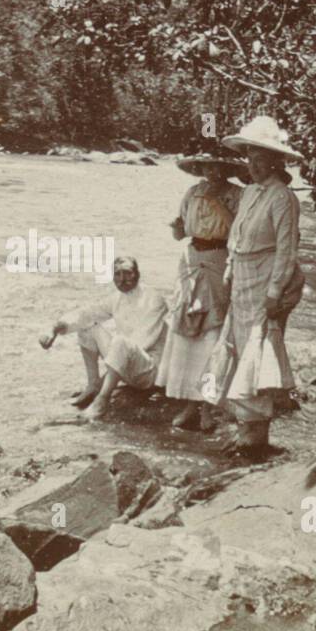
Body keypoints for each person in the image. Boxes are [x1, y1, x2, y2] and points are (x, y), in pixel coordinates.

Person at [208, 116, 305, 455]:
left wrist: (275, 292)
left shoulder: (283, 198)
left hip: (265, 275)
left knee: (259, 349)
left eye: (261, 158)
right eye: (250, 157)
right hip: (243, 277)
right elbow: (236, 234)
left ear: (276, 161)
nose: (254, 164)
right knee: (236, 343)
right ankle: (243, 423)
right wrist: (230, 267)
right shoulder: (250, 191)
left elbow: (286, 249)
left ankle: (256, 432)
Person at [156, 147, 245, 432]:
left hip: (219, 258)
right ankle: (188, 402)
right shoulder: (192, 192)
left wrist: (217, 204)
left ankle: (209, 405)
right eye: (207, 167)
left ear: (227, 169)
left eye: (218, 167)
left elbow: (240, 234)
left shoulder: (238, 195)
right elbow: (181, 232)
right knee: (186, 327)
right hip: (192, 258)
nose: (212, 172)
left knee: (212, 331)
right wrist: (176, 228)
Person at [39, 256, 167, 421]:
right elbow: (87, 314)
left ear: (138, 274)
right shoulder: (117, 298)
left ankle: (102, 399)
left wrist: (105, 379)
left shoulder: (153, 299)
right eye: (117, 274)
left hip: (147, 370)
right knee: (87, 327)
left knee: (120, 342)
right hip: (124, 362)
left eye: (127, 273)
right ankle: (92, 385)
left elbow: (140, 343)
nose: (122, 279)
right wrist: (54, 329)